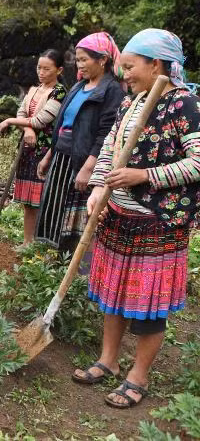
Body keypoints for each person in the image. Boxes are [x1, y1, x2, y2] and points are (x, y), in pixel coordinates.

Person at [71, 29, 200, 409]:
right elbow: (111, 148)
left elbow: (198, 162)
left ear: (156, 65)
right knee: (112, 294)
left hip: (158, 220)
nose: (124, 74)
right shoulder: (133, 101)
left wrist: (144, 176)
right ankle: (108, 361)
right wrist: (98, 189)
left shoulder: (184, 105)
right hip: (118, 214)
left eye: (129, 66)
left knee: (147, 302)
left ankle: (138, 376)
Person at [35, 33, 126, 254]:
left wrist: (88, 168)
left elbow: (106, 134)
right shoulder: (78, 86)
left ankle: (73, 265)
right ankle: (53, 261)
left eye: (84, 59)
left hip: (83, 161)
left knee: (74, 216)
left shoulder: (111, 90)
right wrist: (49, 155)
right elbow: (62, 123)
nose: (80, 64)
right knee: (55, 209)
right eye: (78, 59)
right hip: (62, 157)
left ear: (102, 60)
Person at [0, 50, 68, 246]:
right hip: (27, 151)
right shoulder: (33, 90)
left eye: (47, 68)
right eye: (39, 67)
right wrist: (27, 128)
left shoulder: (59, 92)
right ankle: (27, 242)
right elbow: (23, 113)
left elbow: (42, 120)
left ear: (59, 70)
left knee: (41, 200)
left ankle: (41, 244)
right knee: (28, 202)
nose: (42, 72)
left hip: (44, 152)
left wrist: (11, 121)